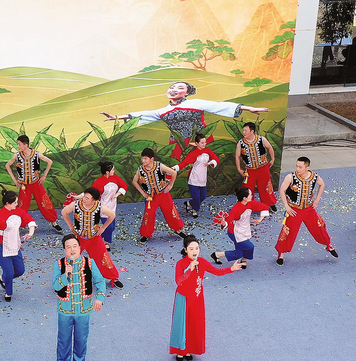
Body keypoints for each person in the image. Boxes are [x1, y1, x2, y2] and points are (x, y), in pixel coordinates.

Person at [101, 81, 268, 159]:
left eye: (180, 88)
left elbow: (218, 106)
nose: (174, 90)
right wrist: (116, 118)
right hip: (177, 143)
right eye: (172, 87)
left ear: (186, 93)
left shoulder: (195, 103)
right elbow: (142, 115)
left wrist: (248, 108)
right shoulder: (163, 111)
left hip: (200, 140)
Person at [170, 234, 242, 361]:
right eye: (191, 249)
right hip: (183, 298)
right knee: (182, 324)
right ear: (186, 250)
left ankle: (189, 349)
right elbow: (179, 281)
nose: (195, 251)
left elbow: (217, 272)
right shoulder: (181, 264)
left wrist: (232, 268)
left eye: (197, 248)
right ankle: (181, 351)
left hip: (197, 298)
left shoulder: (202, 262)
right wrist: (190, 269)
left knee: (194, 324)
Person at [52, 234, 106, 361]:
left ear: (80, 248)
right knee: (63, 338)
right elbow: (56, 286)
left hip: (84, 309)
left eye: (75, 246)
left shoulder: (89, 263)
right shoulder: (59, 264)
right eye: (68, 247)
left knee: (81, 338)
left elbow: (100, 281)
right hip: (65, 310)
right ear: (64, 250)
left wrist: (100, 298)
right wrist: (65, 275)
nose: (72, 249)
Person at [275, 157, 338, 266]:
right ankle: (281, 254)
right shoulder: (290, 177)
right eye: (296, 166)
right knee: (288, 231)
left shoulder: (314, 176)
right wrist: (286, 206)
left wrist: (317, 199)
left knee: (319, 227)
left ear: (307, 167)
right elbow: (282, 190)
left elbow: (322, 184)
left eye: (300, 167)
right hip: (294, 210)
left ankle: (328, 245)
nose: (297, 169)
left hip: (309, 209)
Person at [61, 187, 123, 288]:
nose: (84, 199)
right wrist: (70, 226)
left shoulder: (100, 207)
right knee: (72, 258)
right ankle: (65, 279)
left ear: (94, 200)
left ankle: (113, 278)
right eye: (84, 196)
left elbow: (112, 215)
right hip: (79, 238)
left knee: (103, 257)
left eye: (87, 198)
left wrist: (103, 228)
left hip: (94, 238)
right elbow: (64, 212)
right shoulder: (75, 205)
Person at [5, 135, 62, 232]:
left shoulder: (36, 154)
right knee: (22, 205)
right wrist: (14, 179)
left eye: (19, 144)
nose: (18, 146)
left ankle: (54, 222)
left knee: (44, 202)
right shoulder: (17, 155)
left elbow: (50, 162)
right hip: (24, 185)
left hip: (36, 184)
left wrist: (44, 176)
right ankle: (18, 225)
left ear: (25, 145)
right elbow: (7, 165)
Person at [132, 148, 186, 242]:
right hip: (151, 197)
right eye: (142, 158)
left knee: (170, 211)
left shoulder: (159, 166)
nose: (143, 160)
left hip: (163, 194)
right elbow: (134, 181)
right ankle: (146, 234)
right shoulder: (140, 169)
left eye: (145, 158)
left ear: (151, 159)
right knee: (148, 214)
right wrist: (143, 193)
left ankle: (178, 230)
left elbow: (173, 173)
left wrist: (170, 185)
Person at [210, 187, 269, 269]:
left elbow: (264, 207)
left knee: (238, 254)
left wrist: (260, 219)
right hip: (235, 233)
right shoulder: (236, 209)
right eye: (250, 195)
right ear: (245, 198)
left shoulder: (251, 203)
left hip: (244, 230)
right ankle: (244, 258)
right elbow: (229, 220)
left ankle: (217, 255)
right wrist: (224, 223)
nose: (252, 196)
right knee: (250, 246)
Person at [172, 133, 220, 219]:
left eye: (205, 142)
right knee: (196, 197)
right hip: (194, 178)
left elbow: (217, 159)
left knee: (203, 196)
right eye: (202, 143)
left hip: (203, 178)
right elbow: (184, 163)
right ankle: (195, 210)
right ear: (197, 143)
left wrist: (211, 162)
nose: (204, 144)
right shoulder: (193, 154)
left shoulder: (208, 151)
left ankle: (189, 203)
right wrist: (175, 168)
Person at [235, 122, 278, 211]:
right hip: (249, 170)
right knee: (247, 188)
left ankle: (269, 204)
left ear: (252, 131)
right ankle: (247, 205)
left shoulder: (261, 139)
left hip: (263, 168)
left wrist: (272, 159)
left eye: (246, 130)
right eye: (243, 130)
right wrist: (239, 169)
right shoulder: (240, 143)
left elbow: (270, 148)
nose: (244, 132)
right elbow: (237, 156)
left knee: (265, 186)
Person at [91, 160, 128, 251]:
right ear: (107, 172)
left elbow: (124, 185)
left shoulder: (115, 177)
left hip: (112, 207)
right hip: (103, 207)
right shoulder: (99, 182)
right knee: (109, 226)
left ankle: (96, 237)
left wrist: (117, 194)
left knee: (112, 227)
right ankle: (106, 242)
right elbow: (92, 192)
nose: (114, 171)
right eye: (113, 169)